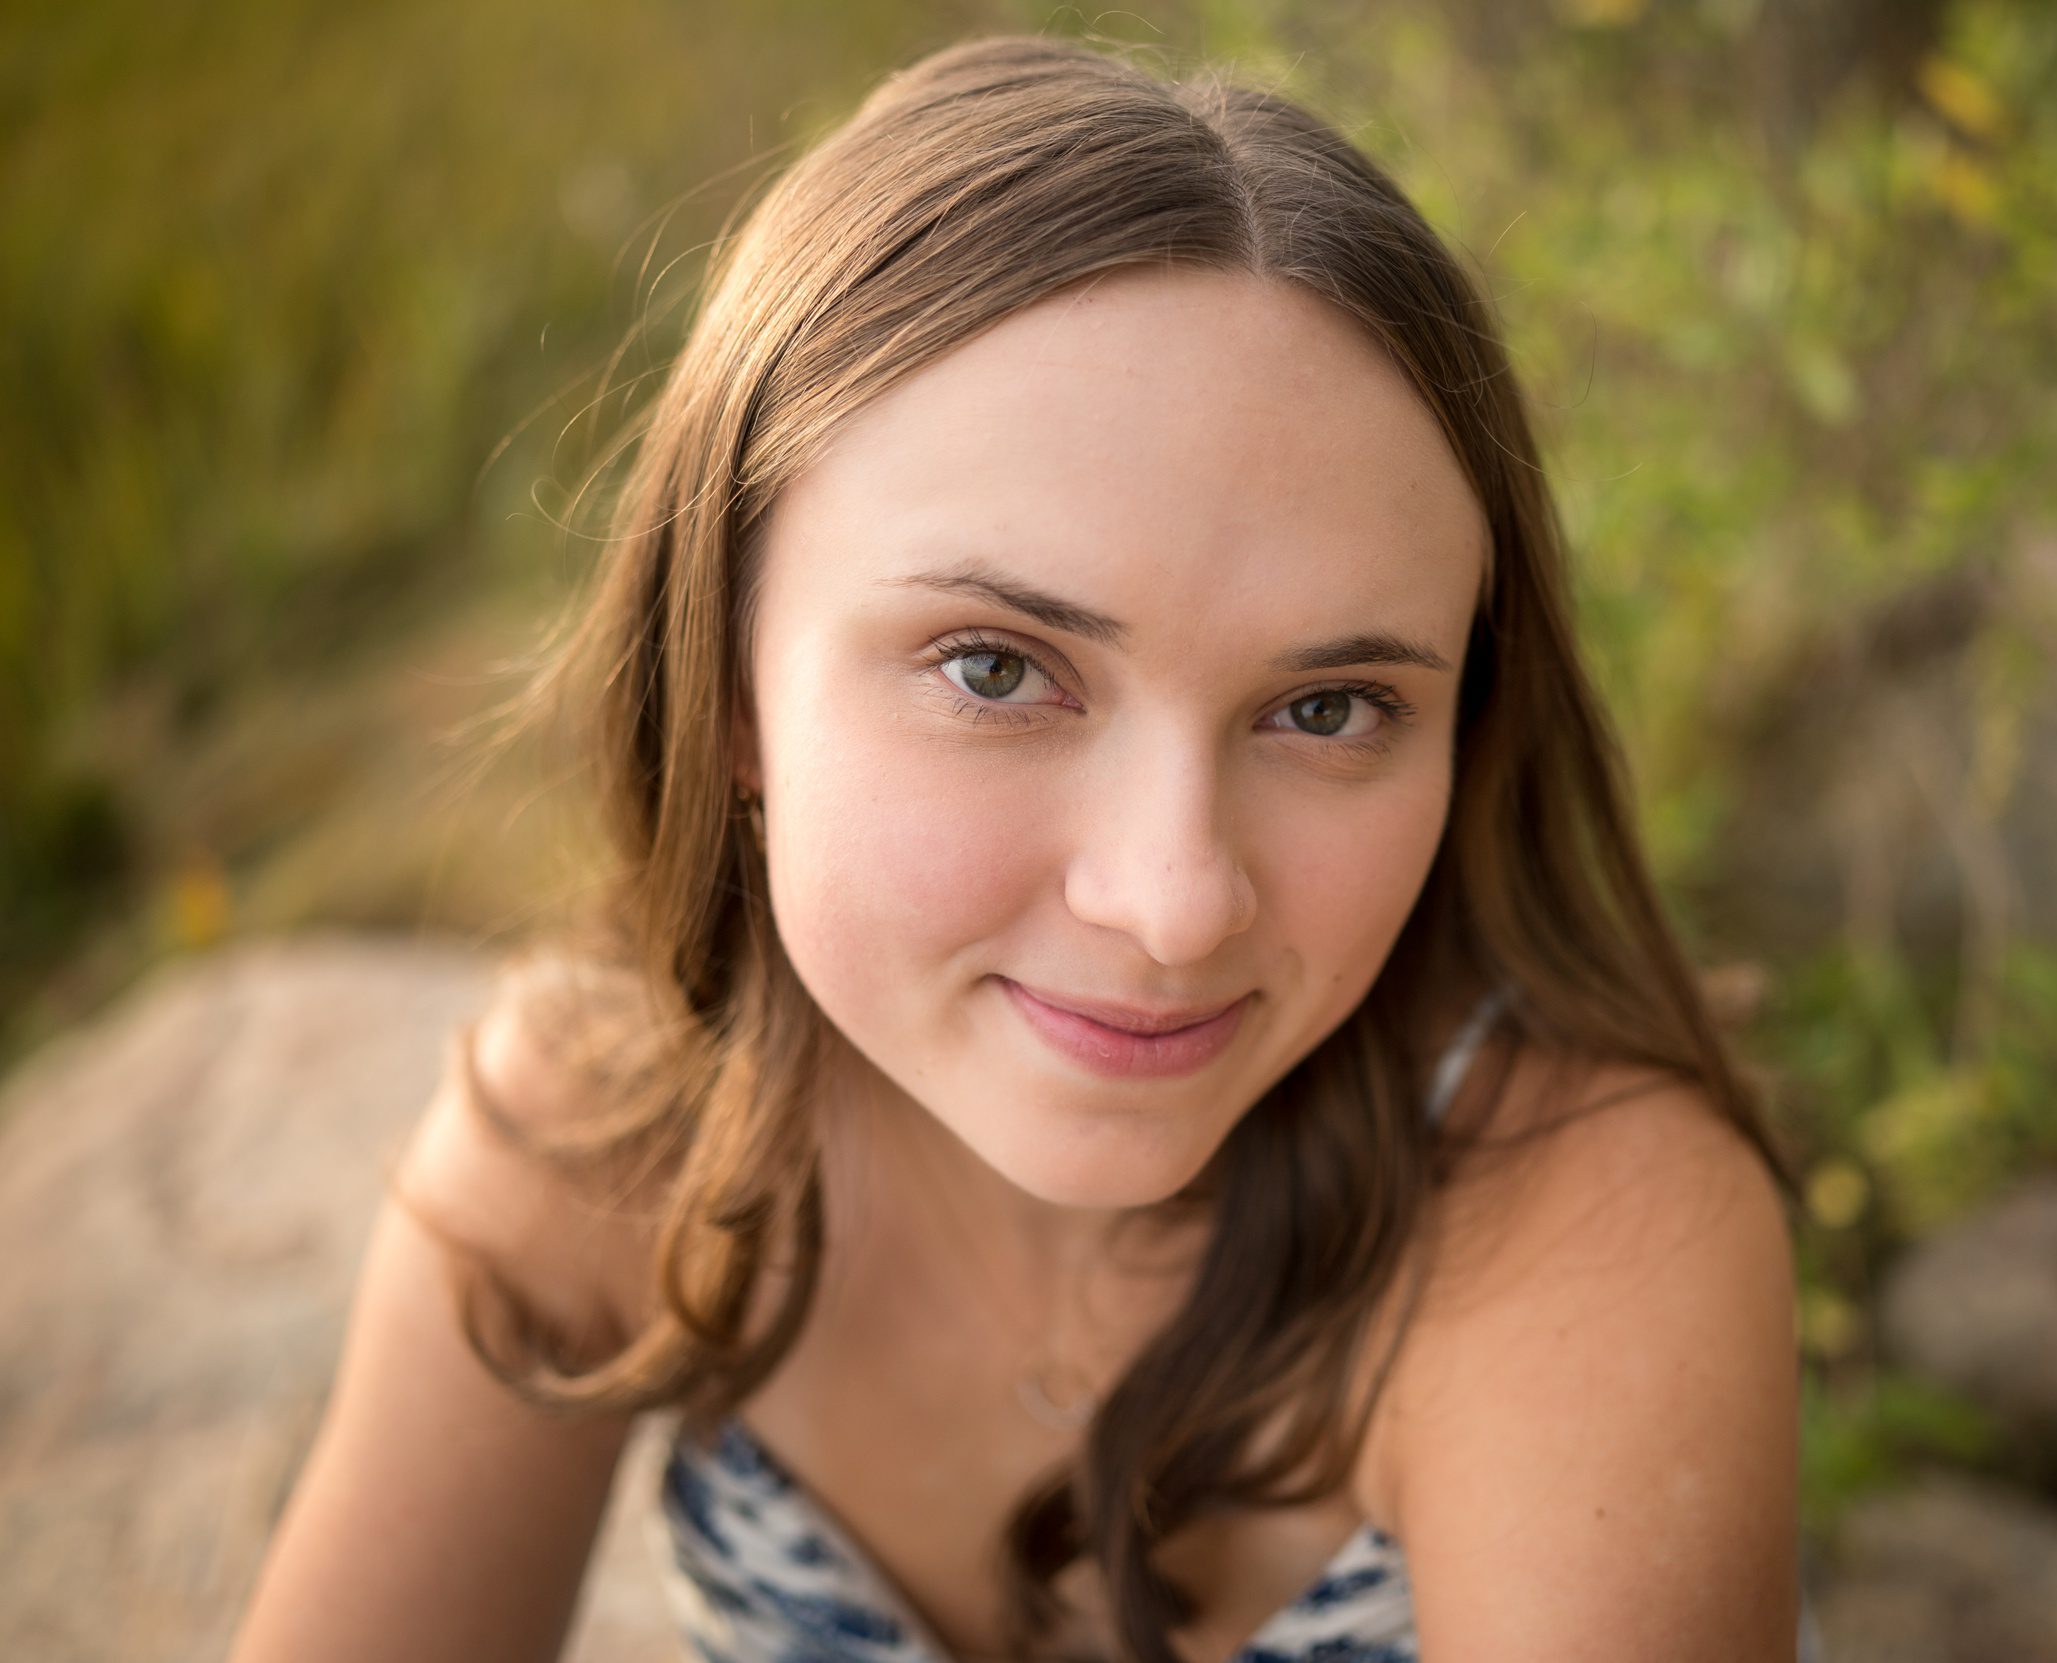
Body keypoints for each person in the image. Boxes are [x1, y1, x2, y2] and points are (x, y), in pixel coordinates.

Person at [227, 31, 1816, 1663]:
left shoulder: (1583, 1228)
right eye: (996, 670)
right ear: (729, 687)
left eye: (1330, 708)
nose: (1175, 900)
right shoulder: (600, 1146)